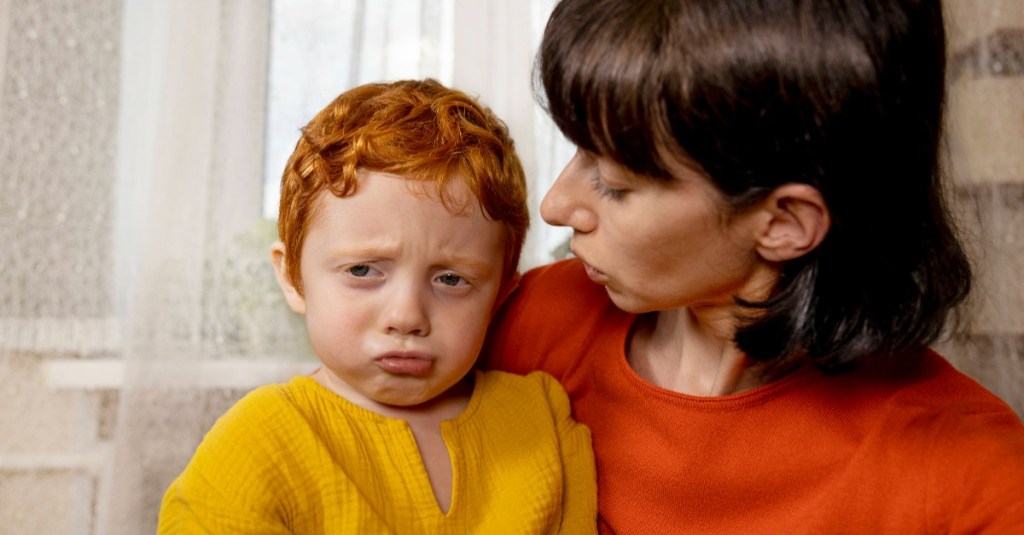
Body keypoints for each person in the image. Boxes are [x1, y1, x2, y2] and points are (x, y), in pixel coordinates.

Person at [482, 0, 1024, 533]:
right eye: (577, 151)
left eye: (615, 183)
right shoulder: (525, 324)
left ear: (784, 222)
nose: (555, 206)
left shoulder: (973, 481)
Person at [157, 79, 596, 534]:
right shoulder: (255, 445)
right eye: (364, 271)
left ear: (500, 296)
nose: (406, 316)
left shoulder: (541, 419)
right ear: (292, 277)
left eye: (451, 279)